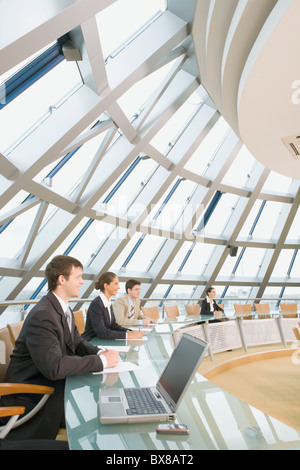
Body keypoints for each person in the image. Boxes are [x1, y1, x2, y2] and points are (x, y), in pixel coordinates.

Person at [1, 255, 119, 441]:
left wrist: (100, 353)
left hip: (52, 390)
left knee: (105, 415)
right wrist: (102, 361)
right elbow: (54, 367)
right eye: (78, 276)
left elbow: (77, 342)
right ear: (61, 279)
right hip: (33, 402)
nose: (82, 281)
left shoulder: (62, 309)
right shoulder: (43, 315)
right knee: (101, 423)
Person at [82, 272, 144, 341]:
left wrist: (129, 331)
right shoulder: (96, 304)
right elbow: (102, 332)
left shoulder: (108, 302)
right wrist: (128, 336)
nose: (118, 287)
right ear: (106, 286)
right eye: (115, 284)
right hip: (92, 342)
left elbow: (113, 325)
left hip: (102, 341)